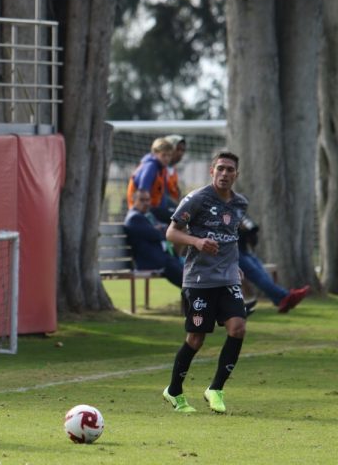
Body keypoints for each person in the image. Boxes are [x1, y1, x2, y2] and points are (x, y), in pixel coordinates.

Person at [162, 151, 248, 414]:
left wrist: (236, 266)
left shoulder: (240, 204)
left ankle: (216, 389)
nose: (224, 174)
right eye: (220, 168)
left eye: (230, 170)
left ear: (236, 174)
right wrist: (197, 241)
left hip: (228, 278)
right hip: (199, 280)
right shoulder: (197, 199)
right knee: (196, 339)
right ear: (212, 171)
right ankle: (174, 391)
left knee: (238, 328)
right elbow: (171, 232)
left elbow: (230, 237)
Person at [238, 215, 310, 313]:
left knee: (262, 273)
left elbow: (251, 229)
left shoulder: (237, 209)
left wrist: (249, 232)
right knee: (257, 275)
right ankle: (285, 296)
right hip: (230, 253)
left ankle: (280, 300)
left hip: (243, 250)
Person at [124, 190, 183, 289]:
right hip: (150, 262)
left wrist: (159, 229)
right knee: (185, 279)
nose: (146, 203)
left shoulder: (145, 216)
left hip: (162, 259)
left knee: (186, 270)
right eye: (142, 200)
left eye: (147, 200)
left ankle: (195, 297)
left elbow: (161, 231)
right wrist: (159, 229)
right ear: (134, 200)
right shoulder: (134, 218)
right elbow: (158, 234)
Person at [126, 137, 174, 224]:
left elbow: (162, 195)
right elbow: (142, 192)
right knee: (177, 219)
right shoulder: (150, 167)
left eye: (169, 155)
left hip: (153, 208)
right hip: (143, 211)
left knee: (178, 214)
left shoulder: (162, 168)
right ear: (155, 153)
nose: (167, 158)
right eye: (164, 155)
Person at [163, 134, 186, 208]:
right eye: (177, 149)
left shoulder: (173, 170)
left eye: (183, 150)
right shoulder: (158, 169)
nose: (180, 153)